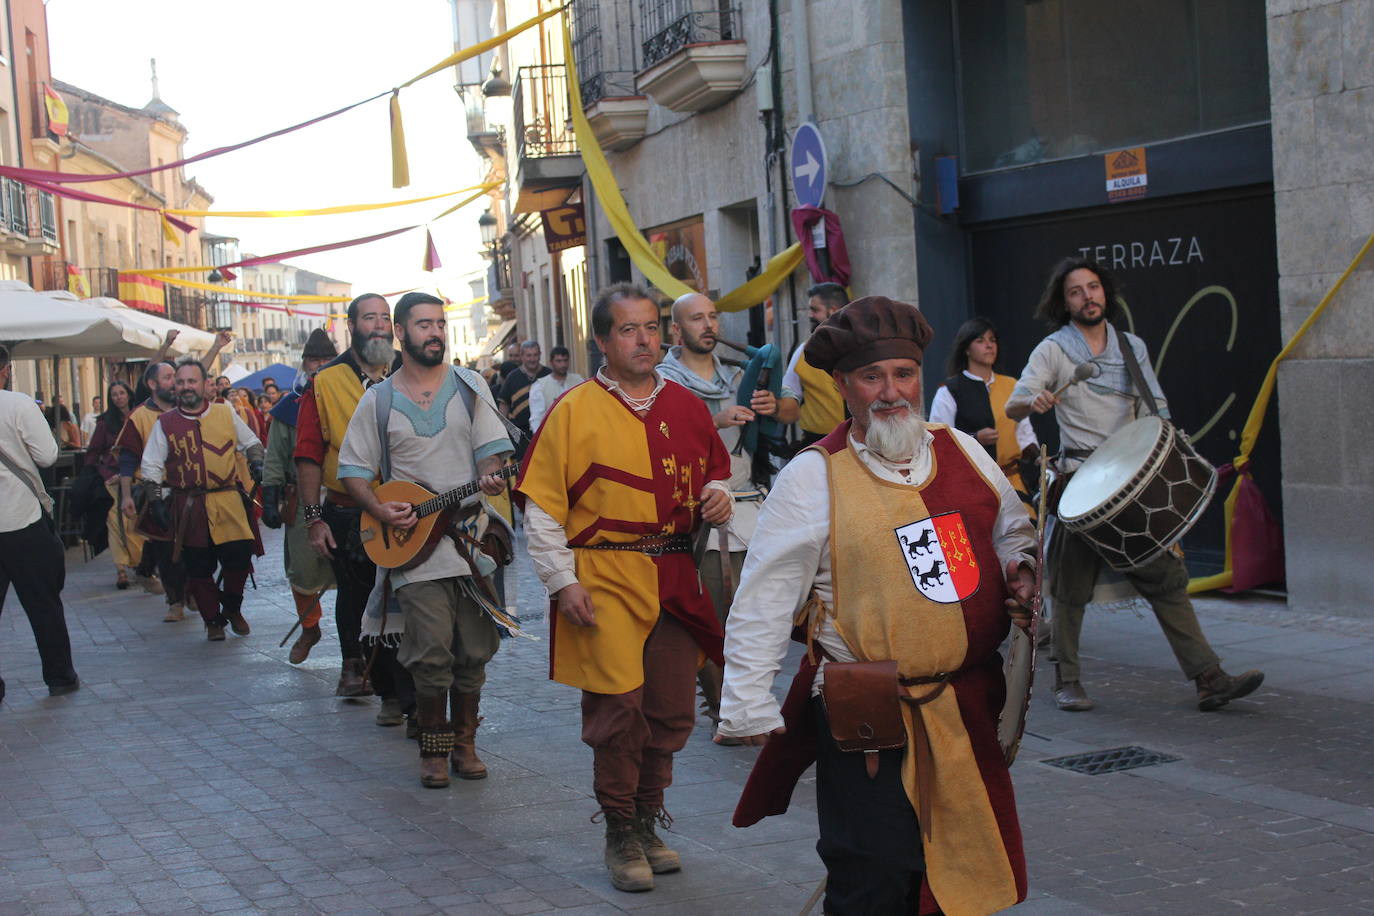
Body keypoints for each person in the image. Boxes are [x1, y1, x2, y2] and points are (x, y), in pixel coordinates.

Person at [719, 296, 1035, 915]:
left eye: (904, 375)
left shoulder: (963, 450)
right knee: (875, 876)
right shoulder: (813, 477)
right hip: (866, 713)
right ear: (842, 386)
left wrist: (1018, 568)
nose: (891, 392)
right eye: (872, 377)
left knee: (957, 871)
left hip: (964, 705)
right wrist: (749, 704)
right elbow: (765, 596)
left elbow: (1010, 528)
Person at [518, 283, 732, 893]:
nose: (644, 339)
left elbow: (717, 474)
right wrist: (562, 582)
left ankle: (646, 819)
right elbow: (542, 508)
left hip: (671, 574)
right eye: (629, 330)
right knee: (618, 710)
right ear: (604, 341)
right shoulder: (573, 409)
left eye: (650, 327)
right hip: (603, 573)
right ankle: (619, 833)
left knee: (669, 708)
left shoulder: (688, 406)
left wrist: (718, 500)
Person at [1005, 258, 1264, 713]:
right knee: (1069, 589)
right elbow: (1013, 407)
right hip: (1082, 483)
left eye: (1093, 287)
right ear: (1063, 303)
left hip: (1129, 481)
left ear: (1106, 292)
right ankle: (1067, 680)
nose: (1088, 296)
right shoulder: (1054, 350)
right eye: (1076, 291)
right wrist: (1035, 399)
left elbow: (1154, 408)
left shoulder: (1131, 347)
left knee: (1165, 580)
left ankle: (1208, 677)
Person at [338, 292, 512, 788]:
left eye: (440, 323)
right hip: (413, 547)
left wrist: (492, 475)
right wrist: (376, 507)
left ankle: (466, 744)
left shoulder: (470, 385)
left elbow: (490, 454)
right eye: (423, 325)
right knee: (432, 652)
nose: (435, 332)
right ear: (400, 333)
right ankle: (433, 750)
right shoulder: (379, 399)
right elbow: (352, 470)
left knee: (474, 650)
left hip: (472, 541)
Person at [656, 292, 776, 739]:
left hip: (749, 505)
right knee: (712, 616)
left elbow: (788, 414)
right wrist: (714, 421)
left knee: (755, 617)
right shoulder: (663, 383)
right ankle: (726, 713)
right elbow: (662, 442)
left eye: (712, 317)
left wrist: (773, 408)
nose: (708, 325)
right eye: (696, 318)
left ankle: (747, 707)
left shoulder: (738, 375)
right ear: (676, 330)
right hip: (700, 513)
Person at [294, 293, 413, 722]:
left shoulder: (412, 369)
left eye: (385, 318)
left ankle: (408, 692)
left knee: (411, 596)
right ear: (352, 326)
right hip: (348, 511)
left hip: (411, 509)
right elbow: (308, 454)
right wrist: (314, 520)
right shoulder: (325, 382)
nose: (379, 326)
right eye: (370, 318)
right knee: (360, 597)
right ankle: (370, 677)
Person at [140, 359, 264, 641]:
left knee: (239, 558)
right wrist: (156, 500)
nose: (185, 387)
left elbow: (252, 442)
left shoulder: (224, 412)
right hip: (189, 506)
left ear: (205, 383)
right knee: (198, 567)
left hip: (228, 500)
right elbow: (150, 466)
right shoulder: (166, 423)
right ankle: (213, 621)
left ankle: (232, 608)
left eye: (191, 381)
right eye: (180, 382)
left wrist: (256, 463)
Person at [0, 345, 80, 702]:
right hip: (23, 519)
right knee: (43, 604)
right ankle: (60, 677)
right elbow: (48, 456)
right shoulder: (18, 405)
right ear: (5, 370)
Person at [261, 330, 338, 664]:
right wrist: (270, 495)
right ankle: (310, 626)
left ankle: (361, 642)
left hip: (345, 494)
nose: (319, 366)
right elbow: (275, 456)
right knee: (303, 570)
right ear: (305, 364)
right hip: (302, 497)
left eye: (326, 361)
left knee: (356, 570)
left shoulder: (351, 396)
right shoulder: (287, 407)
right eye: (314, 361)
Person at [929, 317, 1039, 500]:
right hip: (972, 485)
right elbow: (939, 441)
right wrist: (975, 438)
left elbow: (1025, 435)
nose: (989, 345)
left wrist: (1040, 459)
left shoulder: (1012, 385)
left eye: (992, 340)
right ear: (966, 349)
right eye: (980, 341)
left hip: (1013, 483)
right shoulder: (949, 391)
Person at [116, 362, 188, 621]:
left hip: (192, 491)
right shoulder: (140, 416)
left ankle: (190, 592)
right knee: (167, 550)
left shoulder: (189, 409)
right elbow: (127, 459)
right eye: (169, 377)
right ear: (153, 384)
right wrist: (126, 496)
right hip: (158, 491)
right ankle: (175, 601)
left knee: (197, 547)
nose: (175, 381)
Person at [84, 382, 153, 591]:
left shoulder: (139, 416)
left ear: (128, 394)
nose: (118, 397)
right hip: (113, 481)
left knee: (138, 522)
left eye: (122, 393)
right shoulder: (105, 423)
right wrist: (103, 473)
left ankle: (142, 562)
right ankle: (121, 568)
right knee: (116, 524)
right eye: (114, 394)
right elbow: (93, 453)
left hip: (139, 478)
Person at [778, 282, 847, 445]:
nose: (809, 315)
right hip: (818, 444)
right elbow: (789, 393)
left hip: (862, 444)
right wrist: (775, 406)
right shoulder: (803, 351)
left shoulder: (862, 348)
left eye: (815, 310)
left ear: (834, 311)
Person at [497, 340, 550, 458]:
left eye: (535, 355)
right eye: (528, 355)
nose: (532, 359)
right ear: (522, 356)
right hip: (520, 437)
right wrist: (502, 432)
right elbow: (504, 405)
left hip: (546, 434)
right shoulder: (512, 377)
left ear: (540, 354)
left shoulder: (549, 375)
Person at [527, 345, 584, 432]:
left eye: (565, 360)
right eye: (559, 361)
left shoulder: (579, 381)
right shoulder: (540, 386)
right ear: (551, 362)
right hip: (552, 434)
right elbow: (537, 417)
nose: (563, 364)